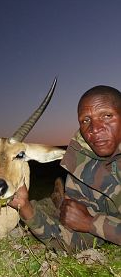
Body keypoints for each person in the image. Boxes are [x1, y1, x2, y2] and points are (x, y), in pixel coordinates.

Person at [9, 85, 121, 251]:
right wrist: (25, 207)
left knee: (61, 207)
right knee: (63, 211)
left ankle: (58, 201)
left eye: (107, 116)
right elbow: (71, 241)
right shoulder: (83, 169)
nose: (95, 129)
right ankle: (58, 201)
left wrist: (91, 222)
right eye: (86, 120)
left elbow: (89, 224)